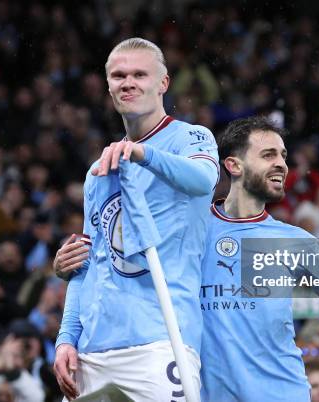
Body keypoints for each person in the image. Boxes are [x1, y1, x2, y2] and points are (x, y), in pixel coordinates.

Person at [53, 37, 219, 401]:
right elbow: (87, 263)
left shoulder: (190, 137)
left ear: (163, 83)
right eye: (118, 75)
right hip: (92, 352)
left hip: (160, 342)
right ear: (109, 86)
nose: (128, 82)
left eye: (140, 74)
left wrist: (144, 154)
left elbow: (203, 180)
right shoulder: (99, 169)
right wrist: (67, 338)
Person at [199, 116, 319, 402]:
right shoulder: (192, 230)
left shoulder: (296, 241)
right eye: (268, 155)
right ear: (233, 165)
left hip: (282, 393)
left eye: (283, 156)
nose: (281, 164)